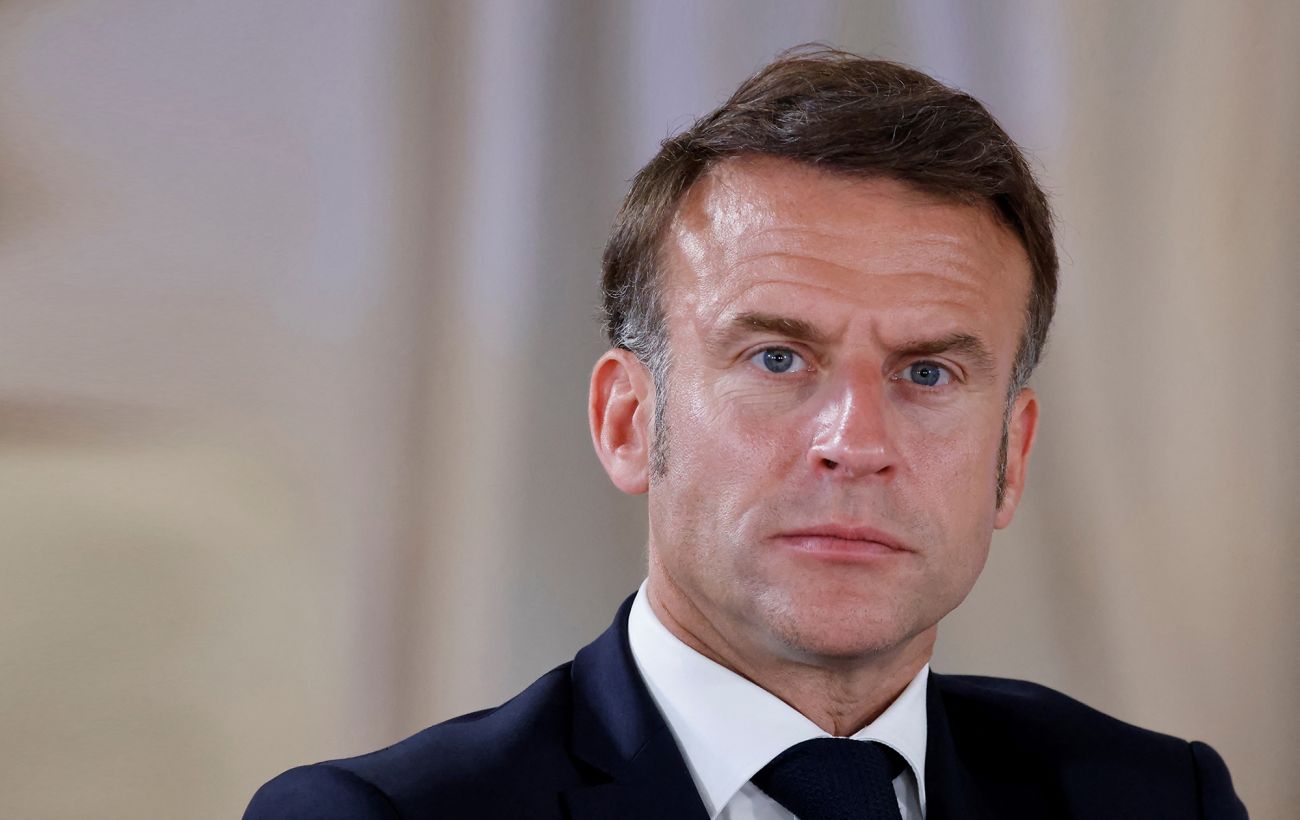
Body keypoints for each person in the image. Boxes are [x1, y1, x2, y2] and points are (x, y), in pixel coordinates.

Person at [244, 46, 1247, 819]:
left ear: (1010, 458)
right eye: (777, 358)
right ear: (627, 421)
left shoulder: (1163, 801)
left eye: (927, 372)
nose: (856, 441)